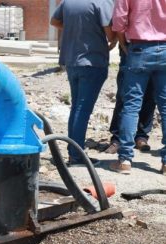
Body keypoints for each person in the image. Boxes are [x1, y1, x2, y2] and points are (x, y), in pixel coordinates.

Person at [50, 0, 116, 166]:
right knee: (82, 109)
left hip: (72, 62)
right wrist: (115, 40)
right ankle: (76, 156)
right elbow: (110, 32)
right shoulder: (101, 2)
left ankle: (74, 152)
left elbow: (54, 21)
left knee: (76, 107)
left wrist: (76, 31)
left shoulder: (68, 2)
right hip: (92, 62)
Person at [110, 0, 166, 175]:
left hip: (139, 47)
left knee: (131, 105)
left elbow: (118, 22)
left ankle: (125, 159)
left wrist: (124, 45)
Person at [104, 47, 155, 154]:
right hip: (131, 50)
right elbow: (119, 30)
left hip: (156, 52)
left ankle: (141, 137)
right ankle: (117, 139)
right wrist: (124, 47)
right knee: (124, 97)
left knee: (149, 96)